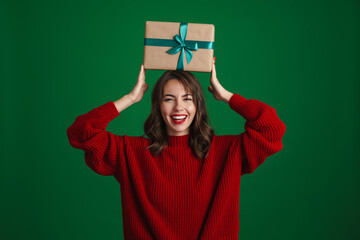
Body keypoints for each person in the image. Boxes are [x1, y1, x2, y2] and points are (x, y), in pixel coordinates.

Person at [67, 59, 286, 240]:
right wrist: (130, 98)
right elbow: (81, 132)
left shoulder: (226, 151)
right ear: (158, 107)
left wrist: (226, 95)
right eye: (168, 99)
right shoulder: (131, 153)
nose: (178, 107)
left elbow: (272, 129)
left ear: (198, 105)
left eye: (187, 99)